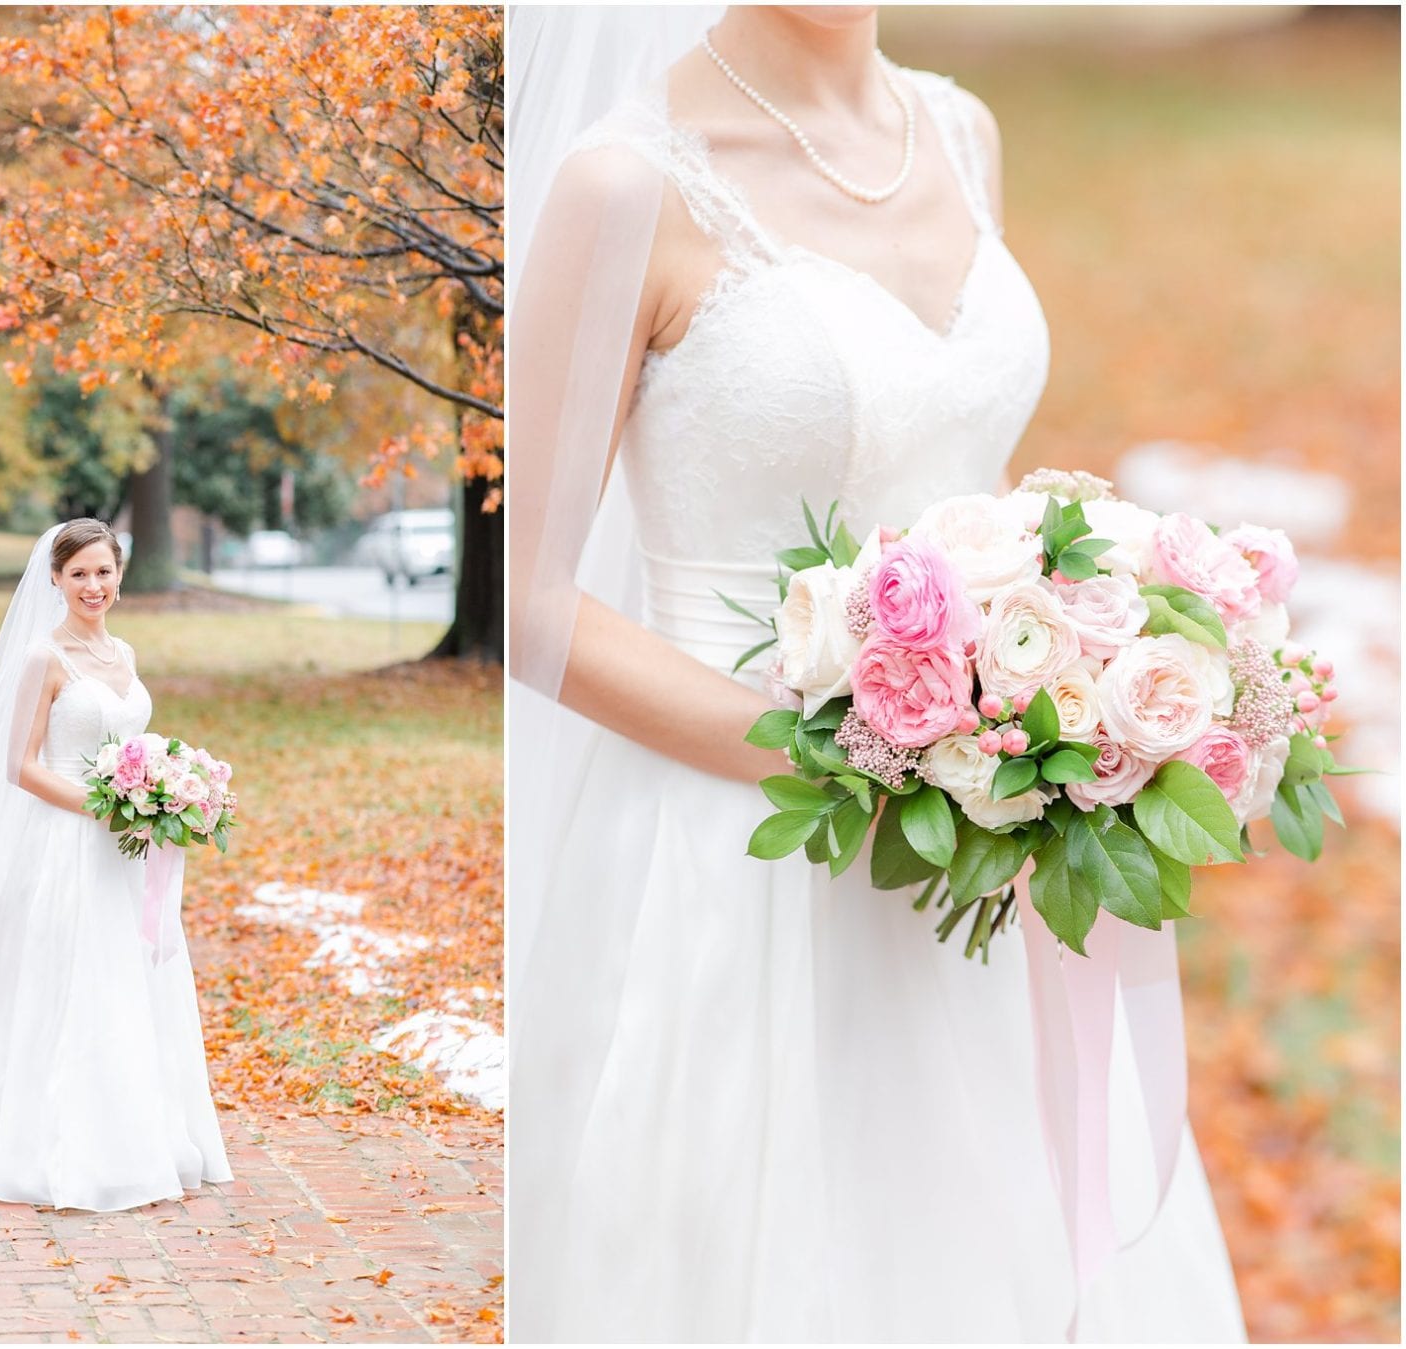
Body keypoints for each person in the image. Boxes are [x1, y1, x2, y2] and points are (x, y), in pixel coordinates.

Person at [507, 6, 1247, 1340]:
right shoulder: (626, 184)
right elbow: (535, 606)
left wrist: (1070, 646)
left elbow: (971, 474)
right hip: (735, 851)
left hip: (983, 843)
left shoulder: (963, 132)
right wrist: (849, 756)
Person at [0, 518, 232, 1211]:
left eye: (103, 571)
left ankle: (140, 1135)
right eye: (79, 575)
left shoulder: (123, 651)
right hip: (67, 843)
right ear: (57, 581)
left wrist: (162, 786)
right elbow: (20, 766)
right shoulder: (46, 658)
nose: (93, 586)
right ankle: (57, 1147)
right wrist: (104, 808)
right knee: (69, 980)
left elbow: (131, 740)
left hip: (126, 851)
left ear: (119, 575)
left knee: (129, 981)